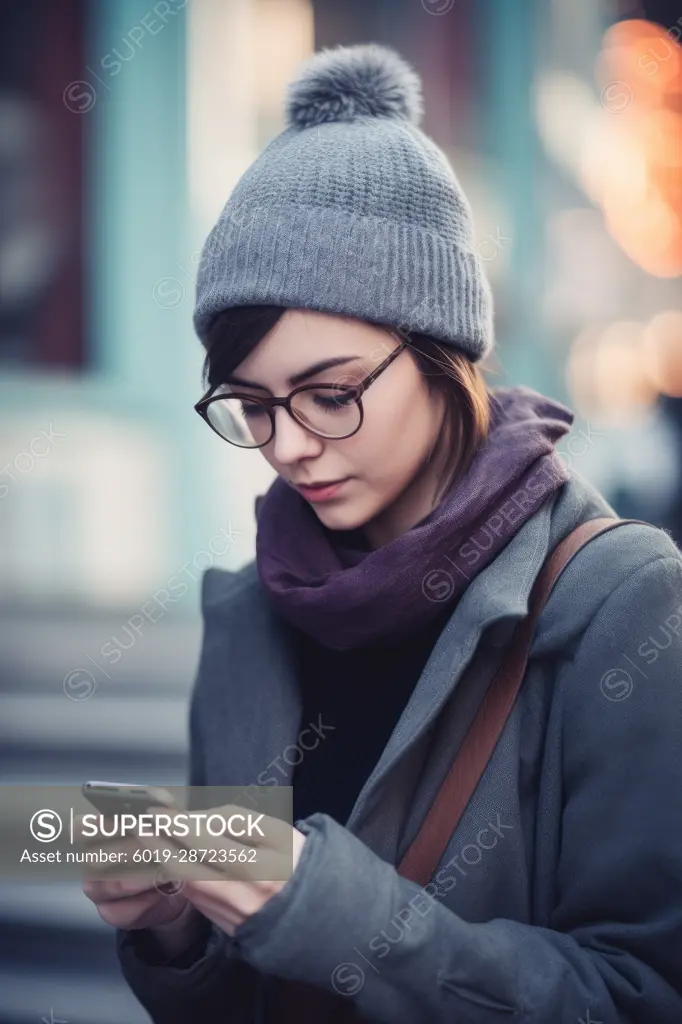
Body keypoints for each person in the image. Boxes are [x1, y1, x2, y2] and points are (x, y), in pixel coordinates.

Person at [83, 43, 682, 1023]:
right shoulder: (245, 610)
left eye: (328, 395)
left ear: (445, 355)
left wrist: (322, 905)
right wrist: (177, 929)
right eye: (251, 405)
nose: (288, 446)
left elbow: (640, 993)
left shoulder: (620, 597)